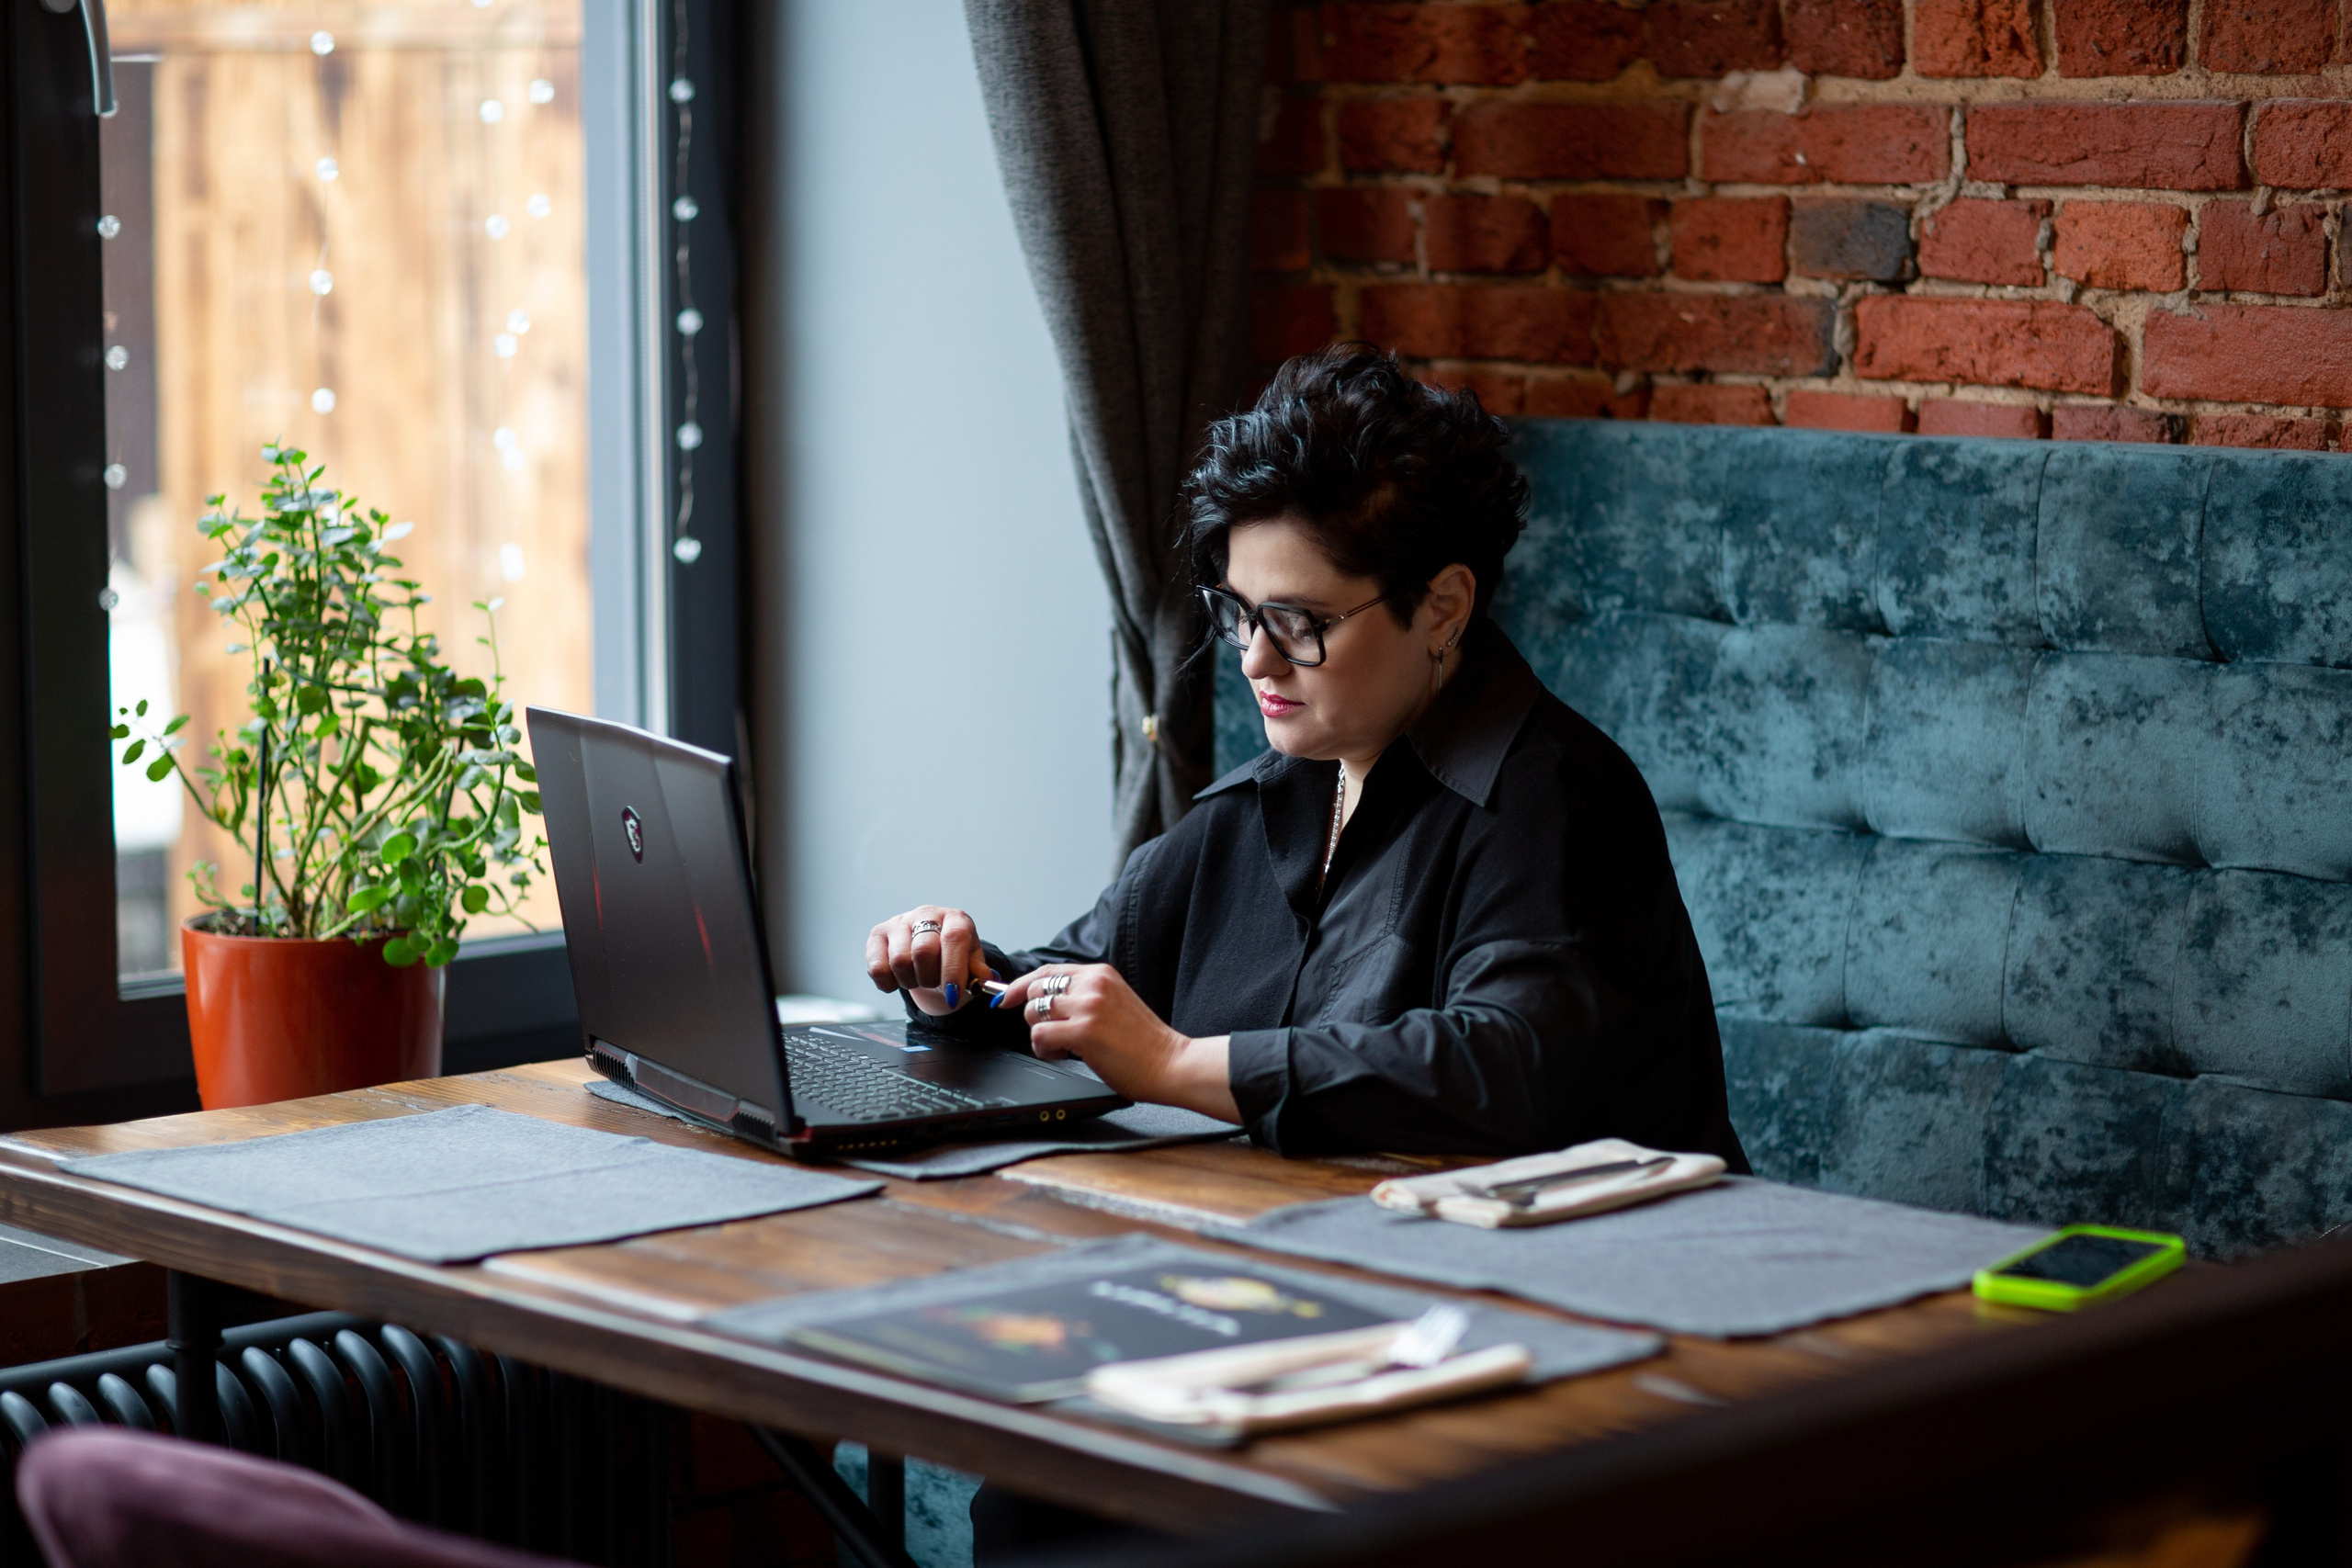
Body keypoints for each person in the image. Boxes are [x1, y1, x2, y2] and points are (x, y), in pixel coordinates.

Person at [867, 344, 1746, 1168]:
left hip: (1582, 1287)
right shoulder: (1260, 802)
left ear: (1443, 607)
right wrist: (954, 980)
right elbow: (1079, 989)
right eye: (1241, 612)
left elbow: (1503, 1069)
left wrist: (1175, 1063)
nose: (1254, 657)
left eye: (1301, 623)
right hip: (1308, 1258)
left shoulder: (1560, 798)